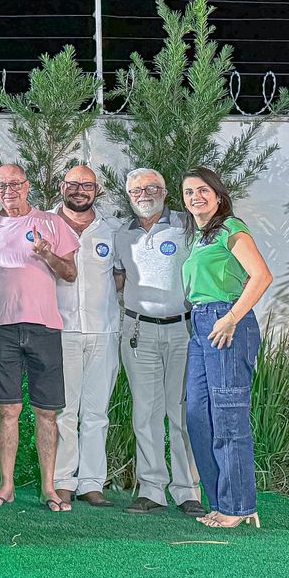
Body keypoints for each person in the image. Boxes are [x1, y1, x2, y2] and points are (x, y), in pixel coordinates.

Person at [0, 163, 79, 512]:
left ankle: (49, 488)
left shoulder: (51, 223)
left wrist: (47, 254)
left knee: (47, 412)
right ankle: (7, 486)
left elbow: (70, 273)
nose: (9, 191)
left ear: (27, 186)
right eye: (1, 186)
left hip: (44, 327)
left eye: (15, 184)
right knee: (8, 411)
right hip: (0, 327)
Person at [182, 167, 272, 529]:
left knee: (228, 416)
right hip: (201, 324)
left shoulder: (232, 228)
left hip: (227, 323)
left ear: (219, 196)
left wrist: (232, 317)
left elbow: (261, 276)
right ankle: (221, 501)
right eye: (189, 192)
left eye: (203, 190)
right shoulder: (201, 238)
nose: (196, 197)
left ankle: (238, 506)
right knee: (197, 415)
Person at [114, 167, 203, 516]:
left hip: (182, 329)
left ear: (165, 192)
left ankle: (188, 491)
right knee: (145, 412)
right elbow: (119, 278)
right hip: (139, 332)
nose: (144, 195)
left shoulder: (187, 225)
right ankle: (151, 489)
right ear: (129, 196)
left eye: (152, 188)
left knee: (181, 412)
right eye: (136, 190)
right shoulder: (122, 234)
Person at [51, 165, 123, 508]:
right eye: (73, 184)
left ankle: (92, 483)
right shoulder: (44, 224)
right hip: (60, 330)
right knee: (63, 411)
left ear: (97, 191)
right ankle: (63, 481)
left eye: (87, 185)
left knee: (97, 412)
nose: (80, 190)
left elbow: (120, 278)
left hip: (104, 330)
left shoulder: (112, 230)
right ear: (61, 187)